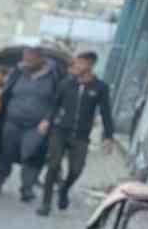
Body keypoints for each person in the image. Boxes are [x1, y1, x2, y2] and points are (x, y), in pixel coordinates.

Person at [38, 51, 114, 216]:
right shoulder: (66, 84)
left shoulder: (100, 87)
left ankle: (64, 189)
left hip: (81, 135)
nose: (76, 66)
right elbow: (54, 105)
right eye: (75, 62)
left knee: (76, 170)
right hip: (60, 131)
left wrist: (108, 137)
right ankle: (45, 204)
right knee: (53, 165)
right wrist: (46, 120)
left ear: (89, 65)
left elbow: (106, 113)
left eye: (79, 63)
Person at [0, 47, 59, 202]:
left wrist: (48, 119)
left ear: (40, 59)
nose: (26, 63)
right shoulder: (18, 72)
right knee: (6, 153)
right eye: (25, 59)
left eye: (30, 59)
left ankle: (26, 188)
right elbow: (6, 92)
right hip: (13, 121)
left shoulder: (53, 76)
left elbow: (57, 101)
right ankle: (0, 179)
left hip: (36, 125)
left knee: (32, 154)